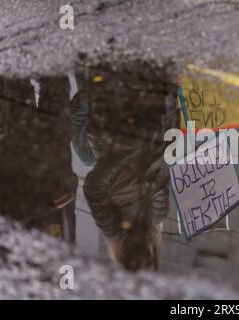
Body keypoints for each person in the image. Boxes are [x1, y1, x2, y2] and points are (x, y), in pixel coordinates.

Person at [68, 69, 176, 271]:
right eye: (151, 265)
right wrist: (170, 99)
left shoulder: (113, 229)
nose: (147, 261)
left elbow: (94, 188)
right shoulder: (157, 216)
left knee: (111, 63)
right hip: (149, 121)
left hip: (112, 127)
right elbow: (164, 160)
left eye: (140, 266)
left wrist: (129, 150)